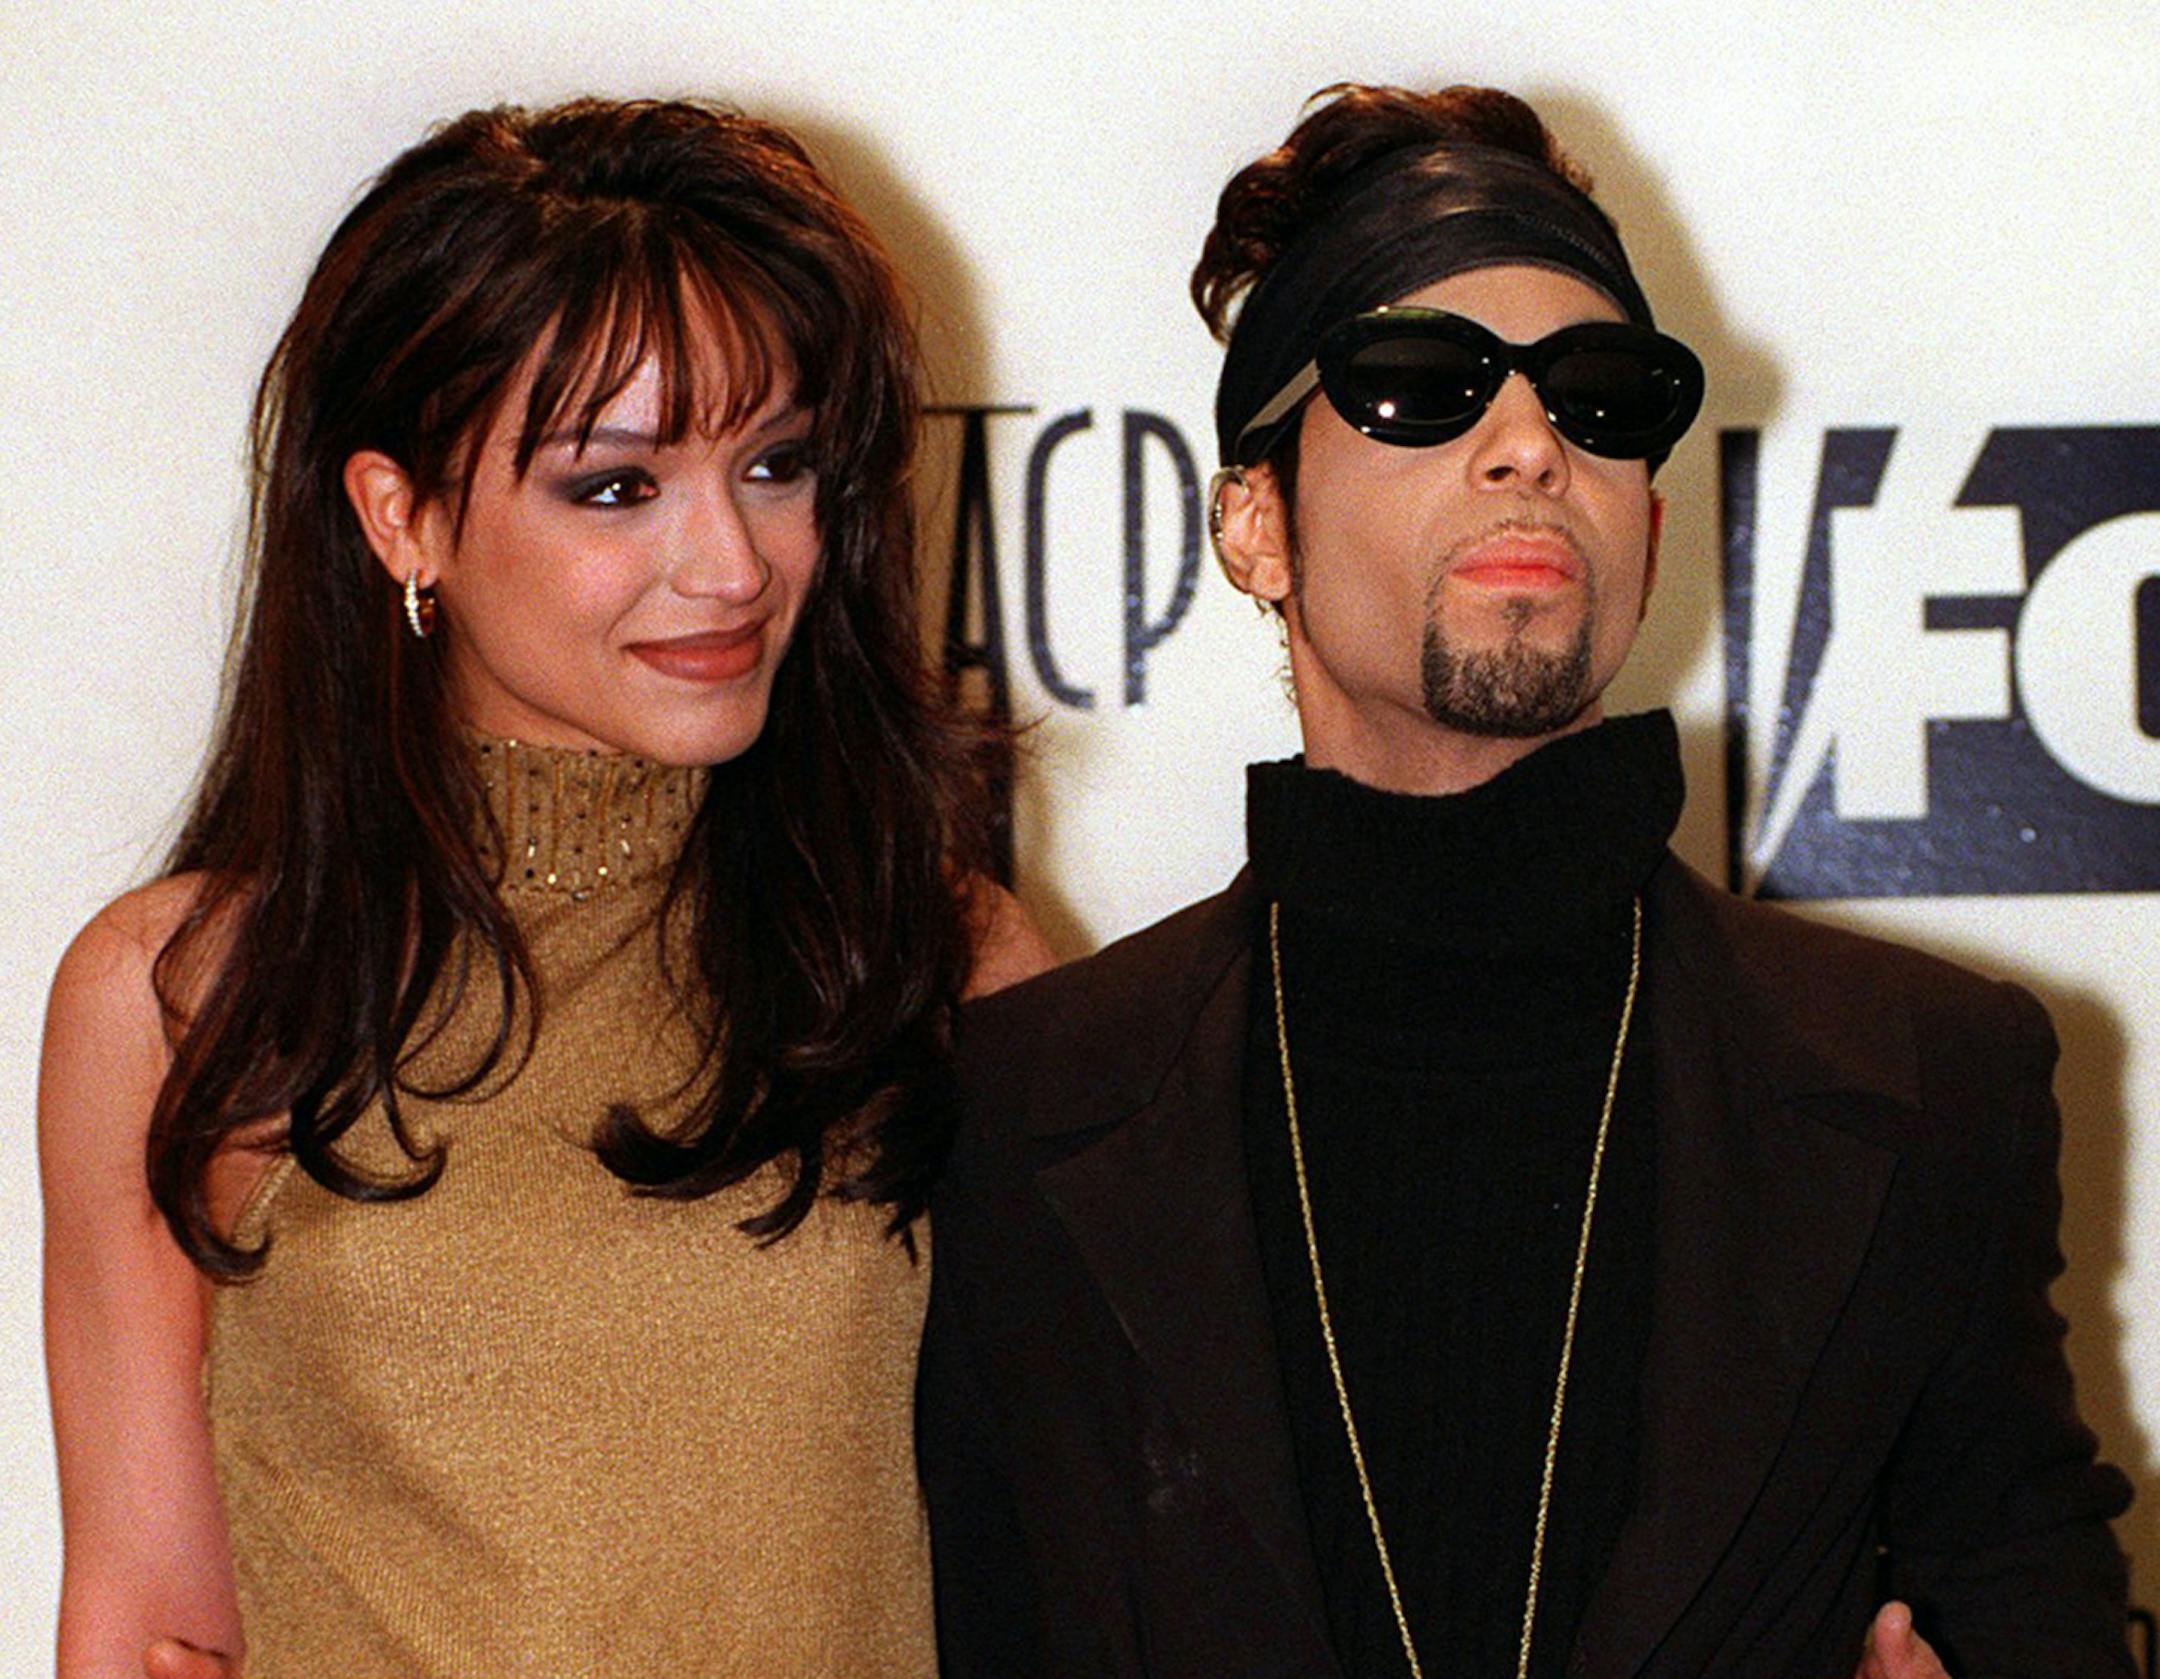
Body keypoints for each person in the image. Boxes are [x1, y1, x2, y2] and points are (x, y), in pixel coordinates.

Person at [917, 84, 2134, 1679]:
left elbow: (2035, 1615)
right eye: (1419, 385)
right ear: (1253, 523)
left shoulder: (1929, 1082)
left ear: (1648, 504)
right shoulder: (1018, 1106)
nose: (1526, 446)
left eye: (1600, 397)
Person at [39, 97, 1046, 1679]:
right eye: (618, 486)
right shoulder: (187, 992)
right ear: (401, 515)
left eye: (777, 464)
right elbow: (150, 1624)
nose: (732, 564)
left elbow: (1064, 1554)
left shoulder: (938, 960)